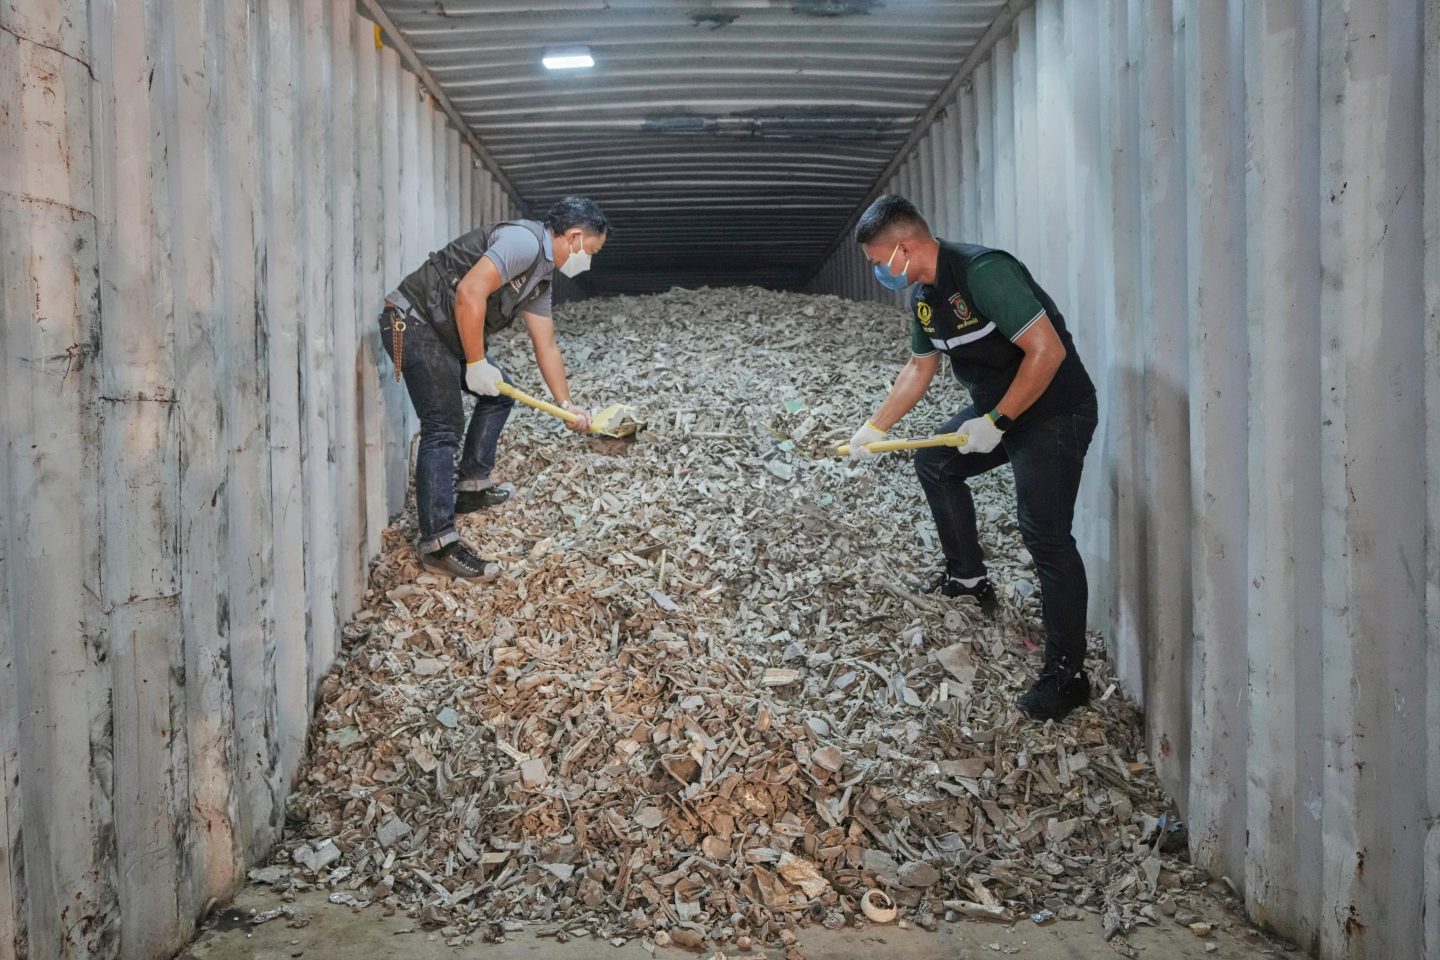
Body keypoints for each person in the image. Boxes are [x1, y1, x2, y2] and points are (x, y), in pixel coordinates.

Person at [846, 195, 1098, 721]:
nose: (877, 272)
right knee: (936, 463)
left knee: (1045, 535)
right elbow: (920, 367)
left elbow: (1046, 352)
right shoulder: (924, 295)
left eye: (877, 261)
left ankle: (1068, 674)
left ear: (904, 246)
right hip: (996, 412)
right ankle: (967, 578)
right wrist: (874, 427)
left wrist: (997, 424)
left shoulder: (985, 272)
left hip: (1053, 412)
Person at [379, 196, 608, 578]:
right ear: (573, 237)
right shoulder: (524, 243)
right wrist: (475, 363)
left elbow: (546, 344)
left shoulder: (541, 280)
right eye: (591, 251)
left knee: (499, 395)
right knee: (443, 425)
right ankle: (437, 543)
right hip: (411, 322)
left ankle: (471, 487)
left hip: (439, 331)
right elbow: (470, 292)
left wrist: (567, 404)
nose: (589, 260)